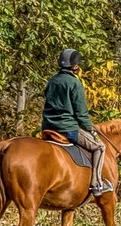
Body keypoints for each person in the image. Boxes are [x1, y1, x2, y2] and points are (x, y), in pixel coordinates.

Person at [40, 48, 109, 196]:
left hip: (47, 126)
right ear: (75, 66)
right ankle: (96, 184)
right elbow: (81, 113)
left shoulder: (52, 80)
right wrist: (90, 128)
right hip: (67, 128)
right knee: (100, 147)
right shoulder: (74, 83)